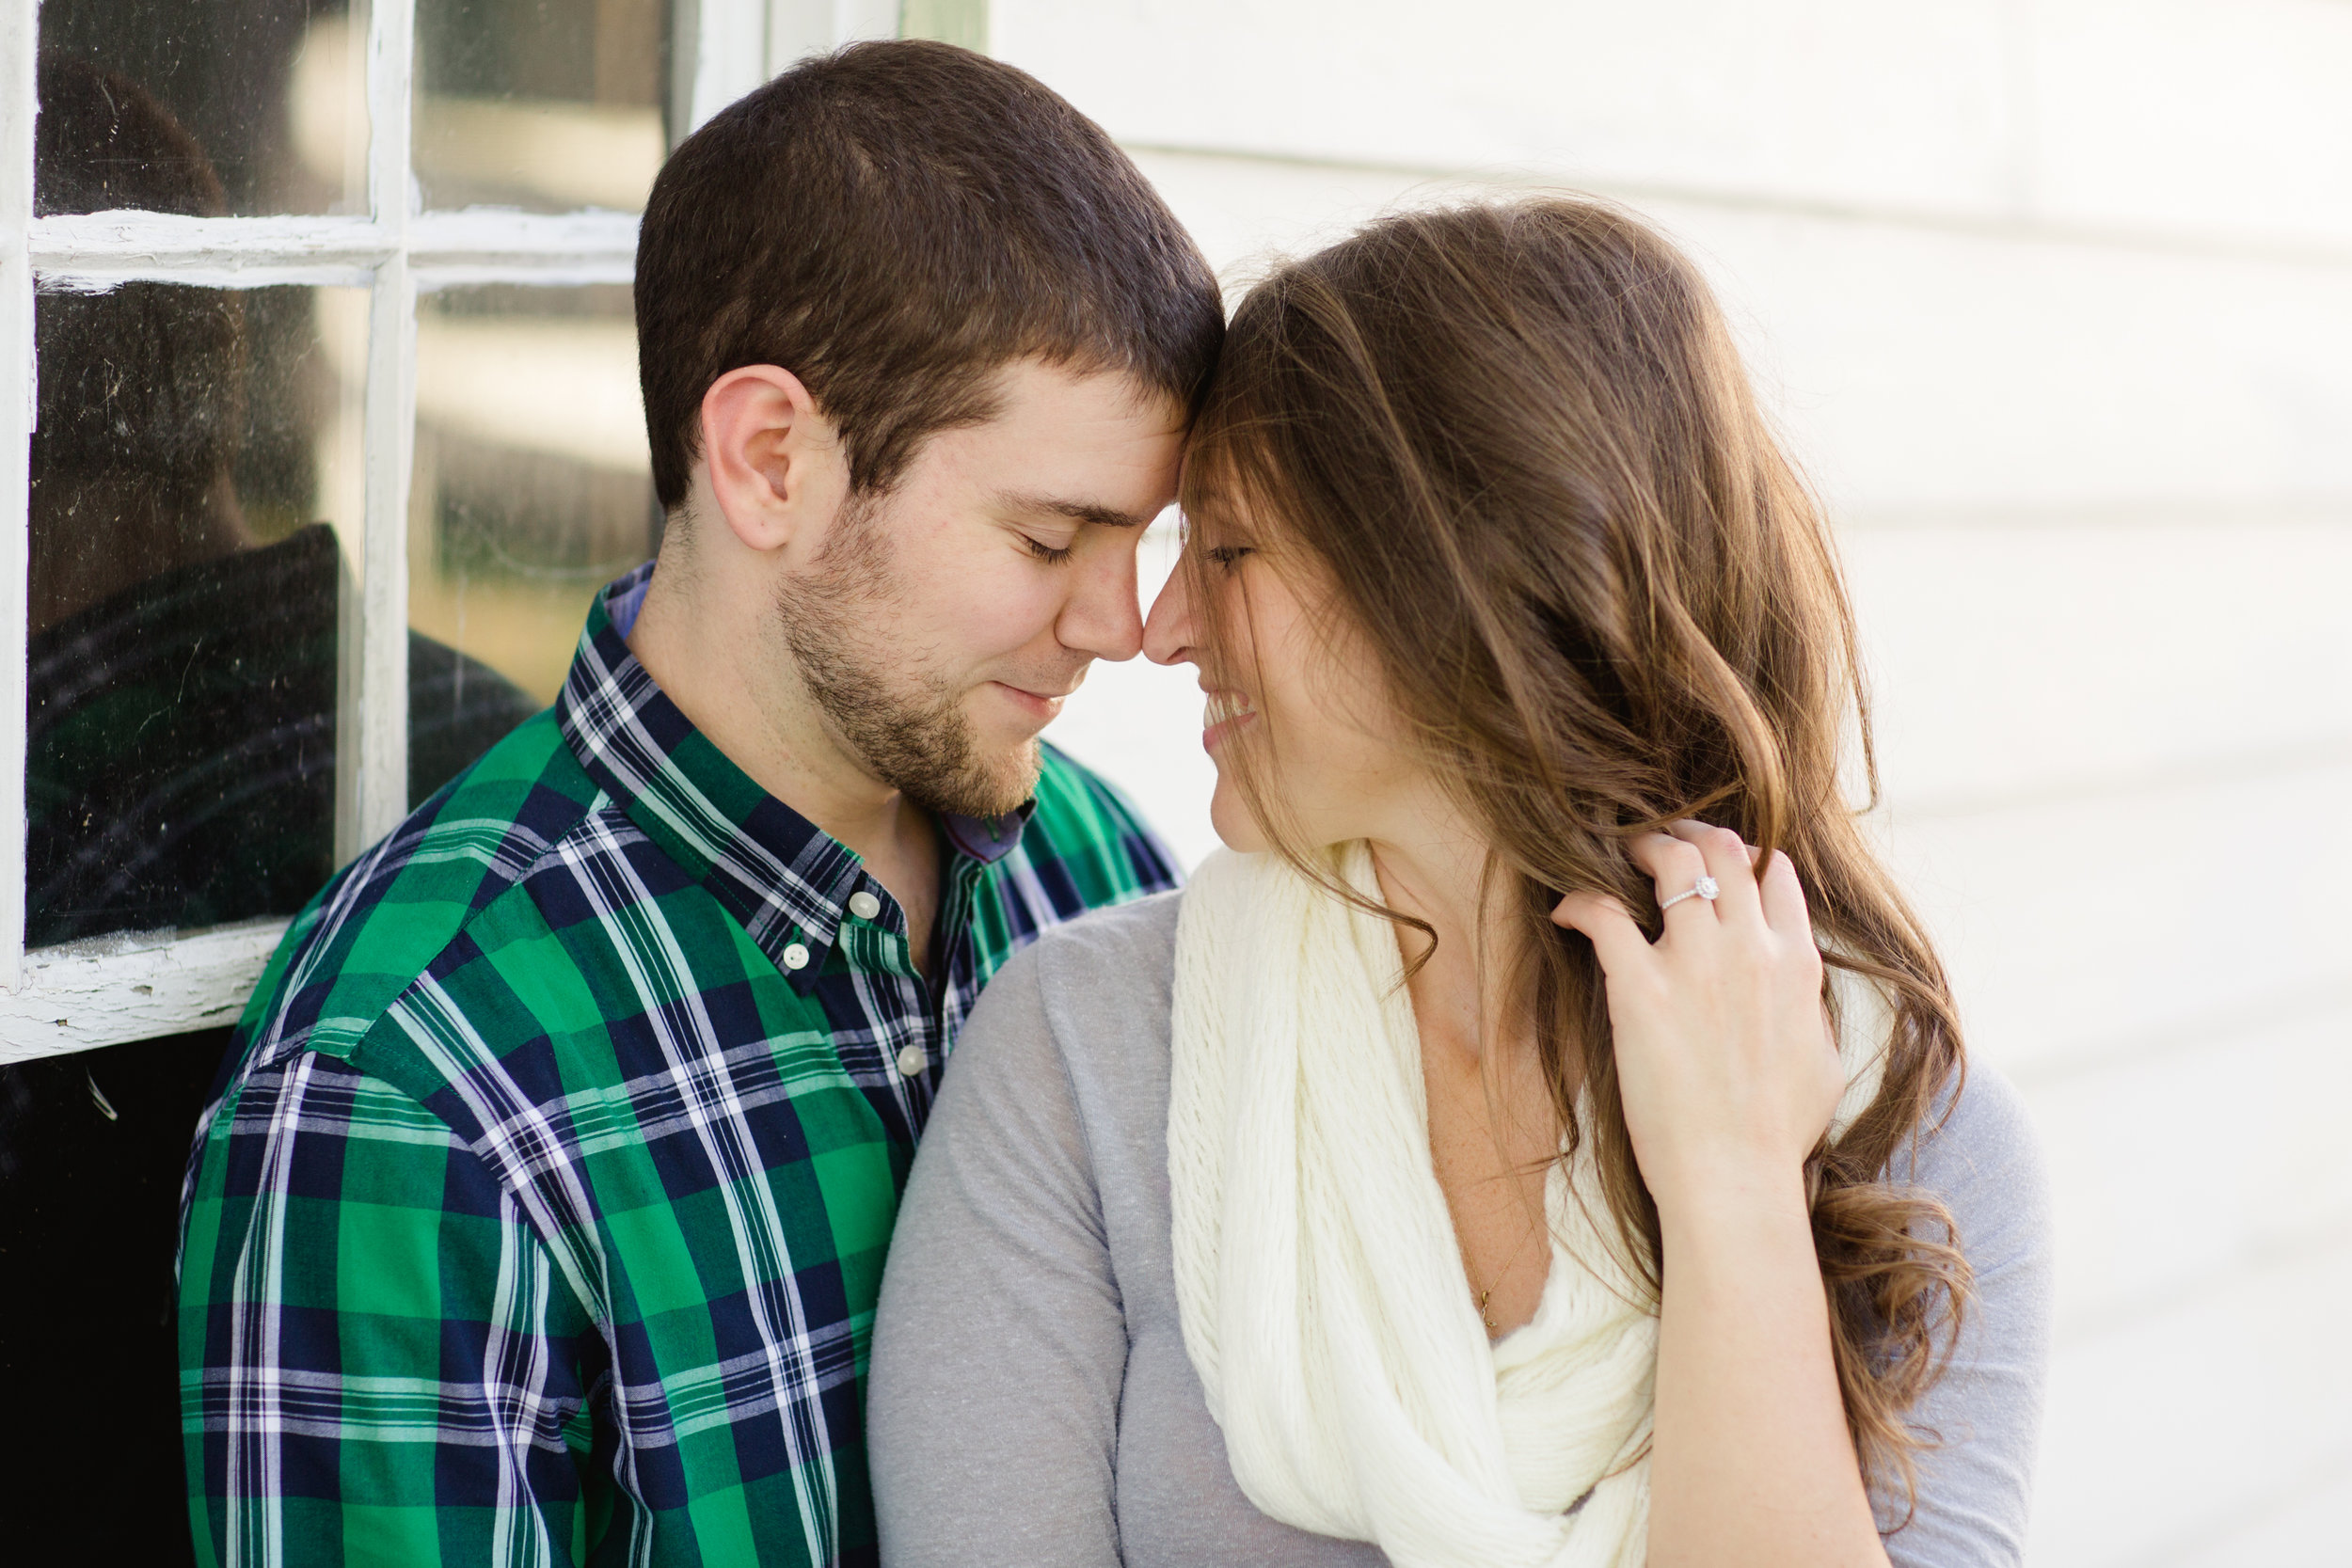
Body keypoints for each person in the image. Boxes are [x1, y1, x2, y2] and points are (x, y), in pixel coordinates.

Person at [868, 198, 2054, 1568]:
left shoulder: (1909, 1147)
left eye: (1232, 550)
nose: (1161, 625)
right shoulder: (1087, 1059)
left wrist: (1735, 1194)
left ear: (1466, 581)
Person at [177, 40, 1220, 1568]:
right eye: (1052, 534)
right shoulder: (414, 1094)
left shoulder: (1100, 869)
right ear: (770, 459)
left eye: (1138, 539)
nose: (1120, 623)